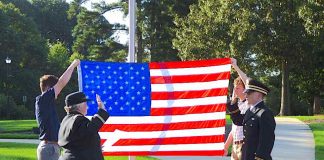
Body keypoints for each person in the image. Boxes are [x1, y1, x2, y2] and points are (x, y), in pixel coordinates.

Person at [35, 59, 80, 160]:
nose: (58, 93)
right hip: (49, 148)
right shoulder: (43, 100)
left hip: (52, 147)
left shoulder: (47, 104)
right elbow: (62, 82)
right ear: (47, 88)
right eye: (56, 89)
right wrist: (73, 65)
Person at [228, 78, 276, 160]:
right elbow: (238, 121)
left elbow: (267, 140)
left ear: (258, 95)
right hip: (246, 155)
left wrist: (260, 157)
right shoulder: (250, 111)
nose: (245, 95)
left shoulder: (264, 113)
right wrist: (232, 104)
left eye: (249, 93)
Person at [58, 92, 109, 160]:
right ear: (79, 106)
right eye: (85, 103)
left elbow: (80, 140)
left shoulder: (66, 120)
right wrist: (102, 111)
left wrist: (94, 147)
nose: (87, 106)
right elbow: (91, 128)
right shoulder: (78, 119)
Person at [224, 58, 249, 160]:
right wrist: (226, 146)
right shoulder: (236, 104)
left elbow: (247, 81)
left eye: (238, 88)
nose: (235, 90)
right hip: (235, 145)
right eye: (234, 87)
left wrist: (235, 66)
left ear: (245, 90)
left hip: (245, 145)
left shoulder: (249, 102)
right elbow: (234, 129)